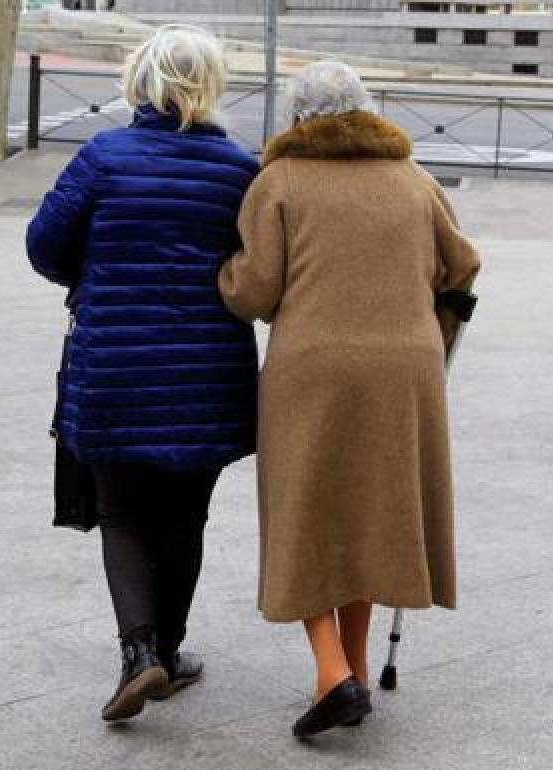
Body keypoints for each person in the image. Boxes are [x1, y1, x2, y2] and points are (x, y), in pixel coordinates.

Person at [219, 61, 481, 738]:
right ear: (365, 108)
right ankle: (351, 670)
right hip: (404, 371)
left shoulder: (278, 181)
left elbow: (252, 293)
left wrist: (222, 275)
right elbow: (463, 267)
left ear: (298, 117)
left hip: (313, 371)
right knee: (370, 510)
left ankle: (335, 672)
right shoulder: (413, 180)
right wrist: (427, 330)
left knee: (306, 509)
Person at [26, 25, 259, 722]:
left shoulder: (104, 157)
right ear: (208, 86)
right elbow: (255, 268)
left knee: (121, 513)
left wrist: (96, 276)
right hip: (209, 372)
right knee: (186, 515)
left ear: (140, 83)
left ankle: (141, 654)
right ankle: (171, 650)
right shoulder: (238, 169)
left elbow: (43, 246)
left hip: (115, 368)